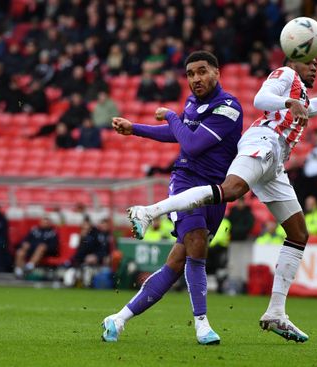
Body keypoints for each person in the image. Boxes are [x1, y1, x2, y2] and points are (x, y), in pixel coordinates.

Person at [126, 56, 317, 342]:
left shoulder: (299, 90)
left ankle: (276, 312)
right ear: (294, 59)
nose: (315, 67)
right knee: (231, 191)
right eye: (310, 61)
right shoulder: (285, 73)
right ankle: (149, 211)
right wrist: (290, 103)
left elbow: (309, 109)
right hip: (262, 141)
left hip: (276, 161)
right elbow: (261, 99)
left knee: (299, 233)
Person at [103, 51, 243, 346]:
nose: (196, 79)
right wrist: (136, 129)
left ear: (217, 72)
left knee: (178, 262)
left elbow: (191, 142)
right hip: (185, 181)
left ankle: (118, 318)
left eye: (202, 71)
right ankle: (202, 325)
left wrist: (170, 115)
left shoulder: (228, 107)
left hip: (215, 192)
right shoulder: (191, 104)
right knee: (196, 242)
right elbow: (182, 141)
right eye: (190, 74)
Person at [63, 218, 112, 287]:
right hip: (80, 261)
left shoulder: (96, 236)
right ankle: (71, 284)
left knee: (87, 271)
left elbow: (101, 250)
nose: (85, 228)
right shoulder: (78, 237)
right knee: (70, 272)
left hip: (92, 260)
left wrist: (96, 256)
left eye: (87, 226)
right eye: (84, 226)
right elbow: (77, 252)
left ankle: (87, 285)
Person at [206, 217, 231, 293]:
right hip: (210, 248)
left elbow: (223, 235)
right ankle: (211, 286)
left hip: (219, 247)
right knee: (208, 266)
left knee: (219, 267)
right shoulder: (211, 220)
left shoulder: (225, 222)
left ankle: (219, 287)